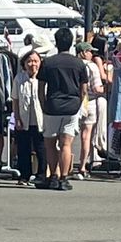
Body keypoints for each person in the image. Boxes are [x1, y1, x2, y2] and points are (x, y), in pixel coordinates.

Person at [37, 26, 88, 191]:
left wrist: (43, 103)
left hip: (53, 105)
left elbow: (40, 87)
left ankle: (52, 175)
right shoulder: (79, 63)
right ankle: (64, 178)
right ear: (71, 43)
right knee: (66, 144)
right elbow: (84, 89)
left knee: (50, 143)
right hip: (71, 106)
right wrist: (79, 103)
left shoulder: (49, 63)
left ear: (56, 43)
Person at [11, 48, 44, 186]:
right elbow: (15, 99)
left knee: (41, 148)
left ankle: (42, 175)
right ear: (24, 64)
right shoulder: (19, 78)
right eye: (29, 61)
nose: (33, 64)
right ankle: (24, 175)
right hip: (24, 119)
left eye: (36, 61)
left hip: (40, 119)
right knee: (23, 148)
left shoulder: (43, 78)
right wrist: (17, 118)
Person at [74, 43, 104, 178]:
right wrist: (106, 88)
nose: (92, 54)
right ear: (84, 52)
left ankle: (63, 163)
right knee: (86, 136)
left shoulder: (73, 64)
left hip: (73, 101)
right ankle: (82, 166)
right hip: (89, 102)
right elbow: (97, 88)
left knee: (67, 136)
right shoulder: (91, 66)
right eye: (90, 51)